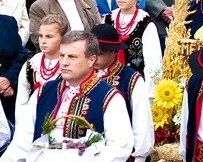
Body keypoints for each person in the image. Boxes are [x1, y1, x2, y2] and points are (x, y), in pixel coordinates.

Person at [1, 31, 134, 161]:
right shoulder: (43, 92)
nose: (64, 62)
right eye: (61, 55)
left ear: (91, 60)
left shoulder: (109, 98)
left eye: (72, 57)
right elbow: (22, 143)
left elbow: (119, 148)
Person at [92, 24, 154, 162]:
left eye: (100, 54)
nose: (94, 58)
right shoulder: (85, 75)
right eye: (91, 53)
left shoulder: (131, 79)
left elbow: (141, 120)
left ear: (114, 51)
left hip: (123, 154)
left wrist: (139, 155)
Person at [104, 0, 161, 95]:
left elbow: (153, 64)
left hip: (135, 86)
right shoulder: (108, 19)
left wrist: (148, 94)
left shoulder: (145, 24)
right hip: (107, 85)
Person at [15, 14, 68, 112]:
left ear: (63, 38)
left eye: (49, 37)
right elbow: (21, 102)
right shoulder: (31, 64)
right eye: (40, 36)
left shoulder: (68, 64)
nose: (43, 41)